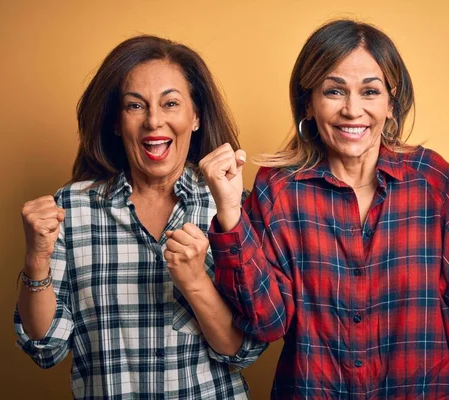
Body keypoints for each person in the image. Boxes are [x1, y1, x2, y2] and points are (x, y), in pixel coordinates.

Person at [201, 20, 449, 399]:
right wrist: (229, 214)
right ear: (308, 102)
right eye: (334, 91)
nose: (352, 110)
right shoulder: (279, 189)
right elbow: (266, 322)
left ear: (392, 103)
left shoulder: (429, 178)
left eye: (370, 91)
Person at [14, 35, 266, 399]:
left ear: (195, 116)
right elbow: (45, 347)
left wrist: (195, 281)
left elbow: (241, 352)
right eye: (135, 106)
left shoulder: (229, 206)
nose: (154, 121)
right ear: (116, 121)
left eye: (171, 103)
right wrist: (36, 258)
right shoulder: (72, 206)